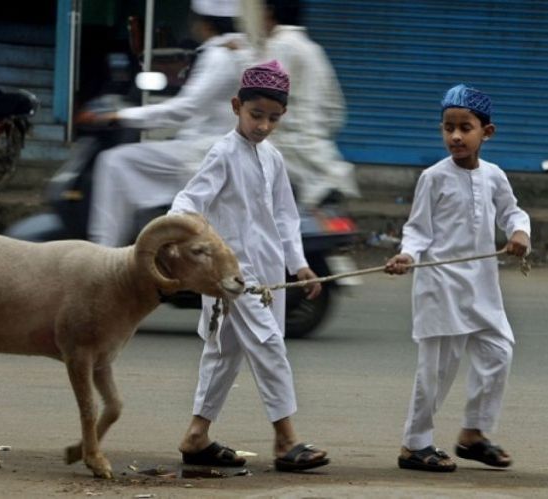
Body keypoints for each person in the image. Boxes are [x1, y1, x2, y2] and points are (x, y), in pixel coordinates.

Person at [170, 60, 329, 472]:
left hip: (269, 273)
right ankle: (285, 440)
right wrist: (189, 246)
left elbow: (286, 217)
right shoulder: (222, 153)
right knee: (270, 345)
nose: (262, 125)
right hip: (233, 276)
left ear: (283, 117)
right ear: (236, 106)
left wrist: (299, 264)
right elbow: (187, 204)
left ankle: (196, 436)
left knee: (224, 354)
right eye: (255, 115)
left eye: (272, 118)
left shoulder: (272, 158)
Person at [385, 84, 531, 472]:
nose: (454, 136)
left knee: (499, 351)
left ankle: (474, 434)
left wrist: (520, 234)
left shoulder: (495, 176)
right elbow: (417, 230)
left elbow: (513, 213)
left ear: (487, 132)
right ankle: (415, 445)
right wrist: (407, 255)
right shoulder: (433, 178)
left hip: (481, 284)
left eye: (465, 127)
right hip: (440, 285)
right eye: (448, 127)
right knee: (436, 370)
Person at [86, 0, 252, 247]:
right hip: (215, 146)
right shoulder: (238, 51)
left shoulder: (220, 56)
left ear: (204, 23)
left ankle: (104, 255)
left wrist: (121, 117)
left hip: (204, 152)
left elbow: (185, 108)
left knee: (114, 162)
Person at [260, 0, 360, 206]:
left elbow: (265, 99)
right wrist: (318, 136)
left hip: (290, 158)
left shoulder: (278, 46)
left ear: (269, 12)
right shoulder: (314, 50)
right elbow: (335, 109)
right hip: (323, 158)